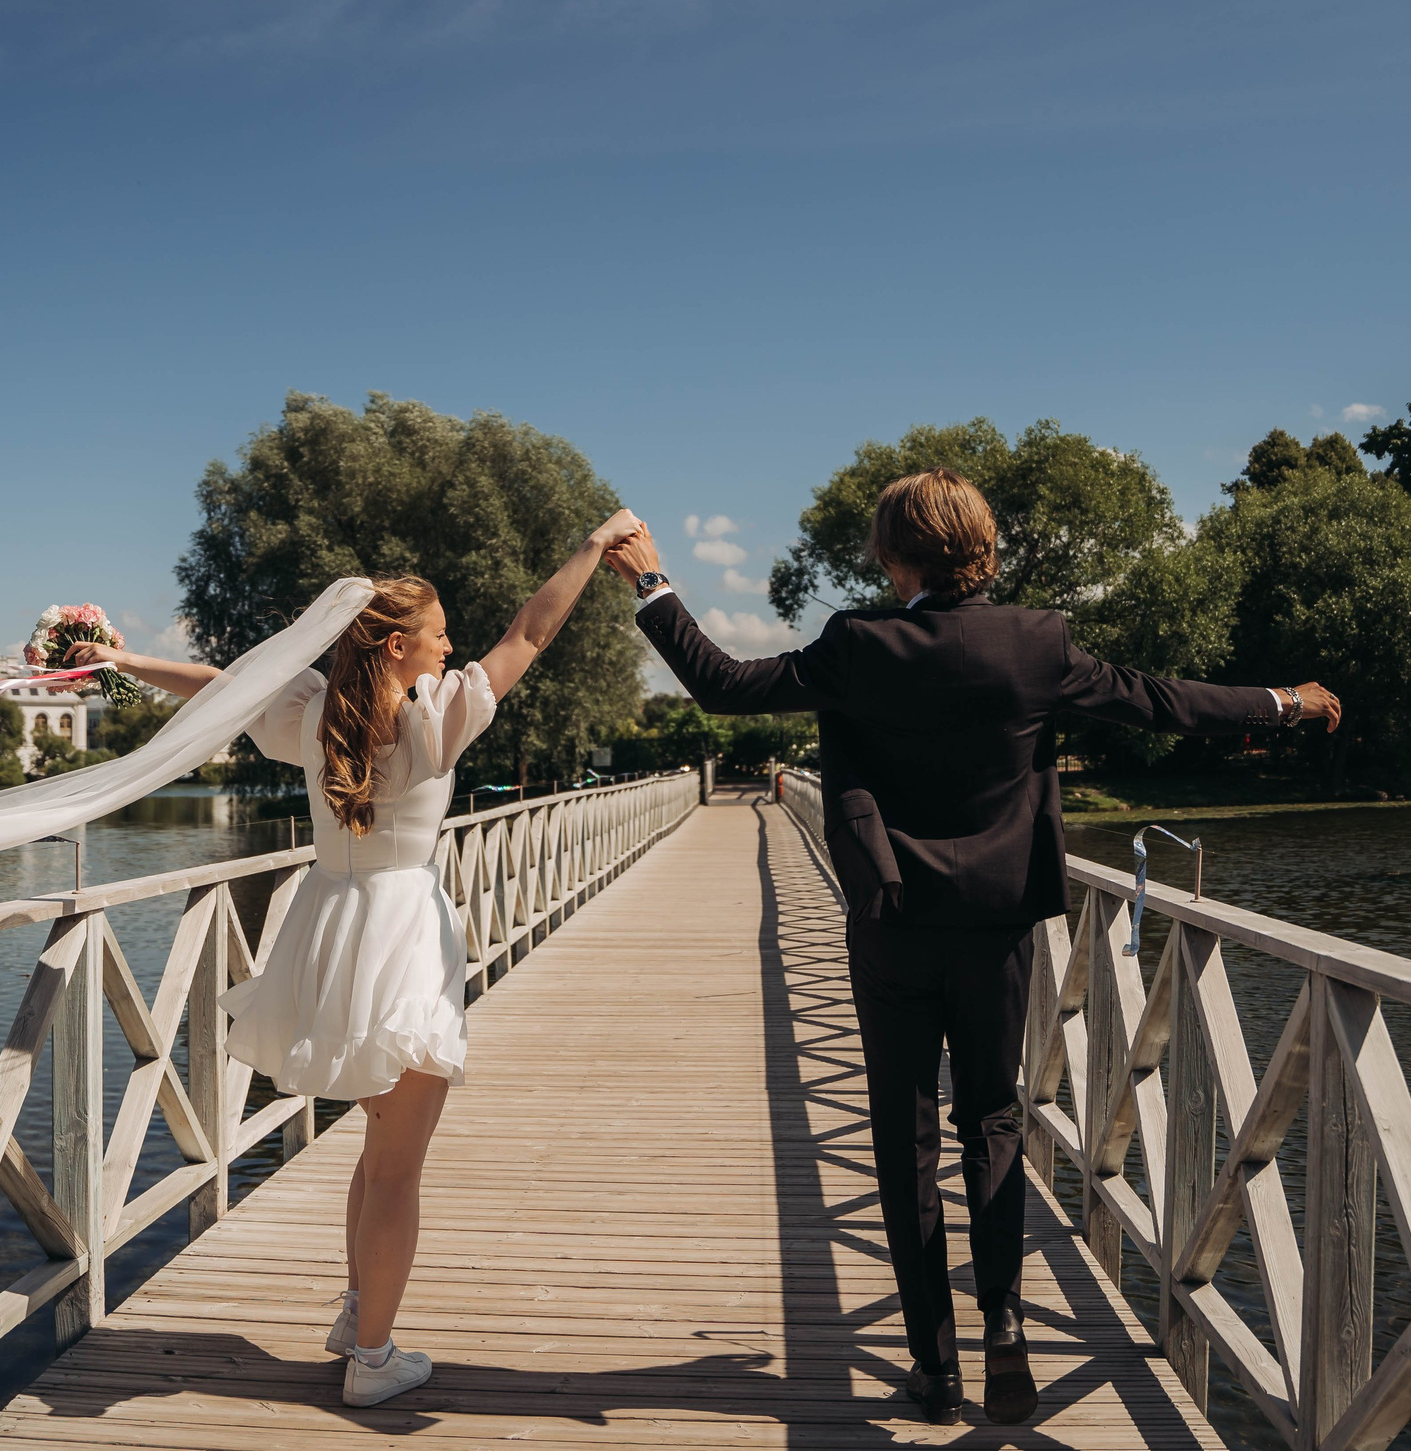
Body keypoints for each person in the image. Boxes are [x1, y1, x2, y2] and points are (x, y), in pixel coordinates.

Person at [604, 471, 1338, 1427]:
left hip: (893, 926)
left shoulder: (858, 645)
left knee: (904, 1143)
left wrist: (652, 582)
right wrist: (1285, 701)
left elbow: (722, 684)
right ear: (982, 548)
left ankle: (933, 1367)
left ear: (892, 555)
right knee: (993, 1124)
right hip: (996, 931)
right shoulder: (1035, 643)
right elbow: (1164, 702)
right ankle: (1006, 1331)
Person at [66, 507, 643, 1408]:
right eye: (439, 633)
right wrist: (593, 547)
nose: (452, 647)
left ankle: (355, 1315)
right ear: (399, 648)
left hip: (327, 927)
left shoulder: (311, 713)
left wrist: (122, 659)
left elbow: (221, 686)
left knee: (377, 1149)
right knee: (398, 1163)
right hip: (402, 936)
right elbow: (531, 629)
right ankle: (373, 1359)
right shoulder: (434, 721)